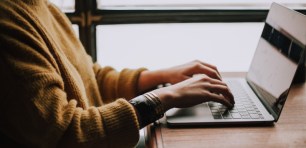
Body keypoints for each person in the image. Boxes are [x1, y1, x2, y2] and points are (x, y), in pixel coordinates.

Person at [0, 0, 234, 147]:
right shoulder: (7, 21)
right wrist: (164, 98)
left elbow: (90, 78)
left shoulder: (42, 7)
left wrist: (160, 76)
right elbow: (67, 135)